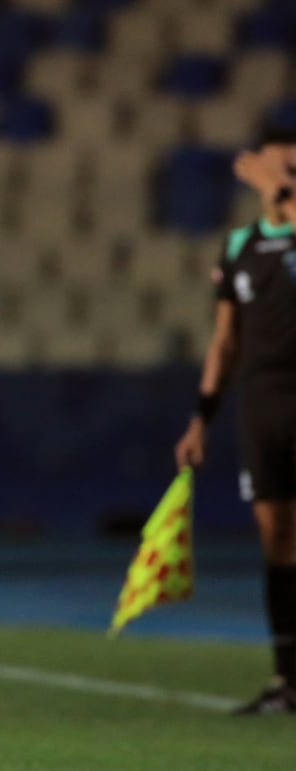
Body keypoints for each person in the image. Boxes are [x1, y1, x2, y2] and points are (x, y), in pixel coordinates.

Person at [175, 122, 296, 715]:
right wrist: (201, 418)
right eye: (278, 169)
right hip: (264, 402)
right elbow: (225, 342)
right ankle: (286, 677)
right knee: (276, 540)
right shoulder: (239, 245)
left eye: (292, 171)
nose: (283, 180)